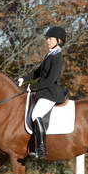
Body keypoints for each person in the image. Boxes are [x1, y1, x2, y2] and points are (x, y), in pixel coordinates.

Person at [17, 26, 67, 158]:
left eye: (50, 38)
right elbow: (38, 72)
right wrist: (24, 79)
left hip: (51, 92)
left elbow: (50, 80)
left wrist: (32, 87)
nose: (47, 41)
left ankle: (41, 149)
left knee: (36, 114)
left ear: (58, 40)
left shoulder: (58, 57)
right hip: (43, 91)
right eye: (47, 38)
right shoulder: (50, 54)